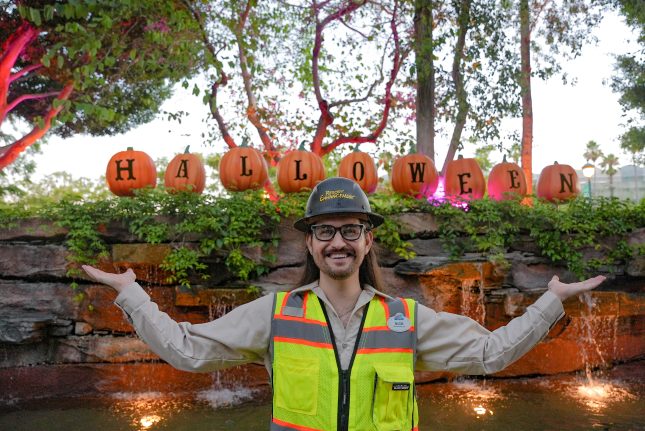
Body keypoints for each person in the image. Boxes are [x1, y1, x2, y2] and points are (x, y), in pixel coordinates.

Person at [83, 176, 606, 431]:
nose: (339, 241)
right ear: (309, 243)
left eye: (351, 230)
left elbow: (490, 355)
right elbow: (187, 352)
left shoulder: (405, 320)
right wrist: (132, 293)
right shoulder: (275, 313)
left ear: (368, 240)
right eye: (325, 232)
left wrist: (550, 301)